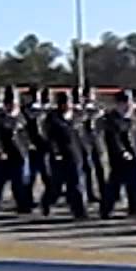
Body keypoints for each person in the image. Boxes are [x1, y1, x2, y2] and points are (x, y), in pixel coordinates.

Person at [99, 89, 136, 221]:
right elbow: (113, 138)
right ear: (119, 103)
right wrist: (122, 151)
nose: (128, 105)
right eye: (125, 102)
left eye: (130, 102)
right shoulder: (112, 119)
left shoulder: (132, 118)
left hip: (133, 156)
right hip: (119, 158)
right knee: (114, 185)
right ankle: (105, 209)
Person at [41, 91, 88, 219]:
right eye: (65, 103)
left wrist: (85, 151)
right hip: (60, 157)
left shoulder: (76, 118)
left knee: (76, 183)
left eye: (69, 102)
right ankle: (46, 203)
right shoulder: (52, 119)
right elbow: (50, 139)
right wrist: (55, 152)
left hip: (75, 155)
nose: (68, 105)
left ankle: (79, 211)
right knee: (56, 186)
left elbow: (80, 136)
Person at [0, 87, 34, 214]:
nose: (11, 106)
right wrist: (0, 151)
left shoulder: (22, 117)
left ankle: (23, 204)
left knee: (21, 181)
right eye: (9, 104)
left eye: (13, 103)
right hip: (6, 154)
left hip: (20, 153)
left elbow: (27, 134)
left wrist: (29, 145)